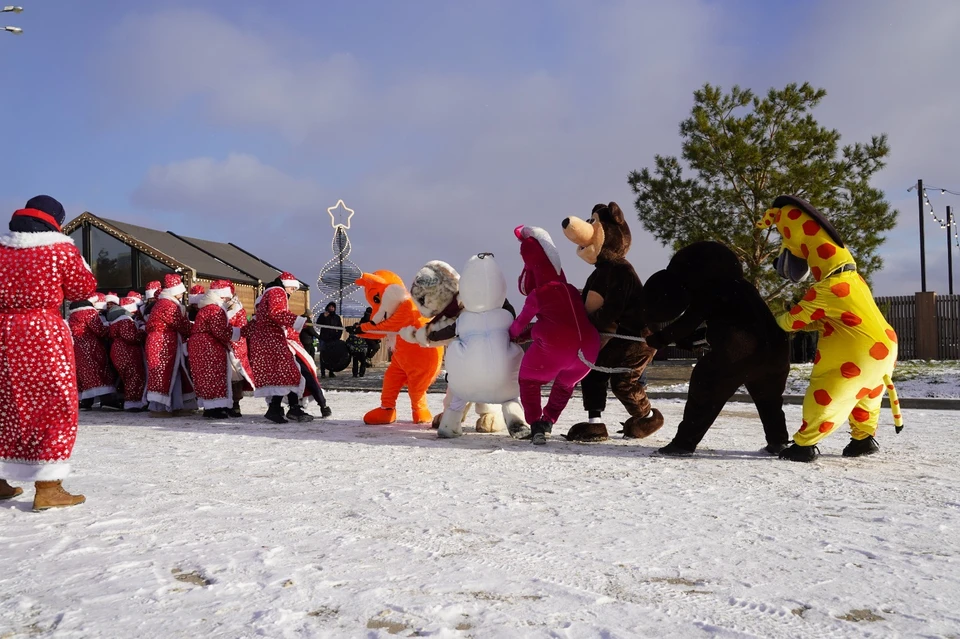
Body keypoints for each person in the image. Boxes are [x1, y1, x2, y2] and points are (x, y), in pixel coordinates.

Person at [0, 195, 97, 510]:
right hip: (43, 334)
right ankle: (48, 487)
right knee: (54, 403)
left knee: (6, 402)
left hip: (4, 334)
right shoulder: (60, 250)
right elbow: (84, 289)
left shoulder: (2, 250)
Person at [245, 273, 331, 422]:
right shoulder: (277, 291)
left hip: (268, 342)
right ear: (287, 284)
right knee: (291, 373)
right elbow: (277, 313)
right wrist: (297, 321)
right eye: (293, 288)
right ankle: (288, 408)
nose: (292, 292)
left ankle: (278, 408)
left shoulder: (267, 299)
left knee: (284, 375)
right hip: (273, 341)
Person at [145, 274, 196, 417]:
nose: (183, 293)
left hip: (166, 341)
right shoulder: (167, 305)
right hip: (163, 343)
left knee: (172, 372)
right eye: (181, 291)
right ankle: (159, 408)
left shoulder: (165, 303)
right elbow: (179, 324)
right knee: (162, 372)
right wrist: (195, 329)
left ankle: (174, 404)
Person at [188, 290, 241, 419]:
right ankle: (216, 408)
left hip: (199, 345)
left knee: (204, 376)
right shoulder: (215, 310)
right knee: (215, 374)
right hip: (210, 346)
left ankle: (209, 406)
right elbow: (219, 330)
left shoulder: (205, 309)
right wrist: (237, 333)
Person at [209, 279, 254, 417]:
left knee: (235, 375)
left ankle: (235, 403)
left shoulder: (236, 309)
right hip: (223, 345)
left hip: (234, 346)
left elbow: (238, 328)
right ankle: (227, 403)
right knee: (226, 376)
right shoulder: (219, 308)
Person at [107, 298, 147, 412]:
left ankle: (131, 400)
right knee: (134, 376)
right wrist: (142, 332)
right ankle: (133, 403)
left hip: (118, 351)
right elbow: (131, 337)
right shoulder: (125, 321)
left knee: (127, 377)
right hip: (127, 352)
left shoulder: (115, 323)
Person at [315, 301, 343, 377]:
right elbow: (317, 324)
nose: (331, 308)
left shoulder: (337, 317)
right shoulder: (323, 315)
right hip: (324, 338)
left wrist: (337, 336)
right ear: (327, 307)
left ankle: (331, 371)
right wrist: (323, 317)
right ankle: (323, 373)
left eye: (333, 307)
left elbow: (340, 328)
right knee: (323, 355)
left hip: (333, 339)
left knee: (332, 355)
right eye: (330, 307)